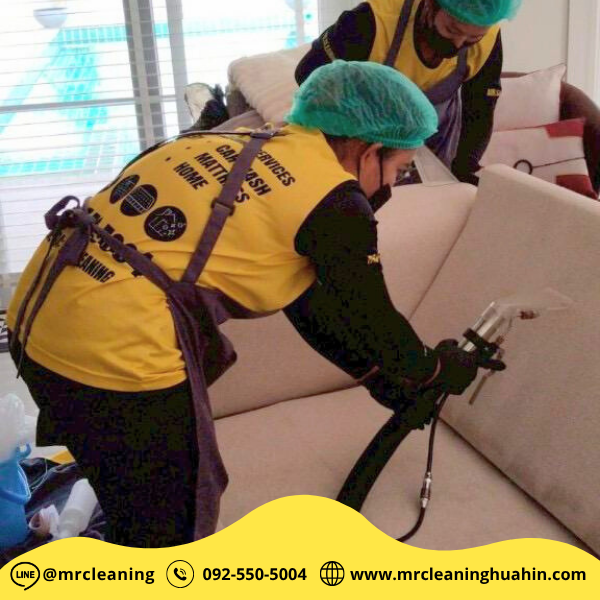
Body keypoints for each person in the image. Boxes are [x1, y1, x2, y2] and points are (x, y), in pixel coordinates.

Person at [7, 61, 494, 549]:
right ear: (369, 150)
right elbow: (373, 318)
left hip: (37, 323)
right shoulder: (334, 201)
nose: (392, 185)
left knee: (124, 490)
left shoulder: (235, 142)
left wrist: (377, 378)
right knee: (169, 526)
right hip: (112, 355)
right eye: (399, 169)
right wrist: (430, 368)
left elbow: (314, 308)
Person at [296, 0, 522, 184]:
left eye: (472, 39)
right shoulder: (372, 21)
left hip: (438, 146)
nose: (457, 44)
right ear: (430, 4)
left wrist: (465, 167)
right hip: (359, 148)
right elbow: (307, 74)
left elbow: (480, 111)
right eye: (451, 29)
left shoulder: (489, 36)